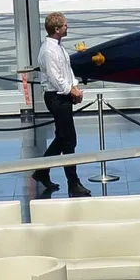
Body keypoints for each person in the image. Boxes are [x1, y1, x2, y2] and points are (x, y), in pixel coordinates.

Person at [33, 11, 91, 198]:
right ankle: (73, 182)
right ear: (57, 29)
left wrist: (74, 86)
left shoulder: (59, 47)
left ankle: (41, 171)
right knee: (69, 140)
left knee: (62, 137)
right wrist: (70, 90)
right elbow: (55, 78)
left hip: (63, 95)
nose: (68, 27)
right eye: (66, 25)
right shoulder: (49, 50)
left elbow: (66, 70)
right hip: (56, 97)